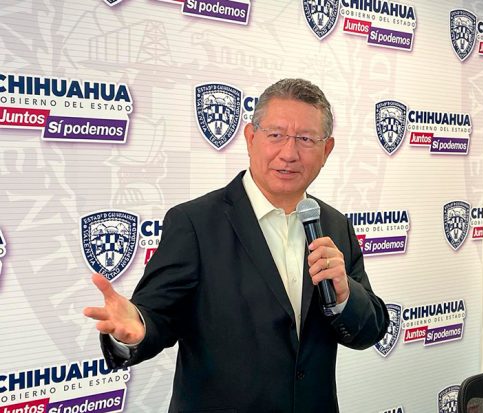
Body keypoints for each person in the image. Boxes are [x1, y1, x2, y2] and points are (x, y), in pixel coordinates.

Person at [83, 78, 389, 413]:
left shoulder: (335, 225)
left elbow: (370, 330)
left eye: (305, 139)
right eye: (276, 135)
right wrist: (135, 328)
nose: (289, 153)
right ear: (250, 138)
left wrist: (345, 297)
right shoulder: (194, 223)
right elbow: (156, 316)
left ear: (326, 150)